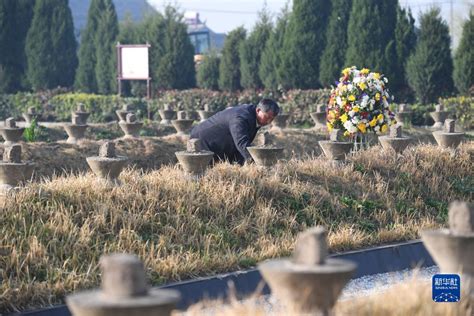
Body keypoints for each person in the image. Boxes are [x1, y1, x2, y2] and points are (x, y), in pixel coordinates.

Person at [190, 98, 280, 165]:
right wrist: (258, 163)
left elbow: (241, 146)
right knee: (204, 173)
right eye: (267, 117)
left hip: (222, 142)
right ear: (258, 110)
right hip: (203, 140)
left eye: (272, 119)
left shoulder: (253, 117)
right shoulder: (240, 118)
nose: (269, 121)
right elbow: (242, 143)